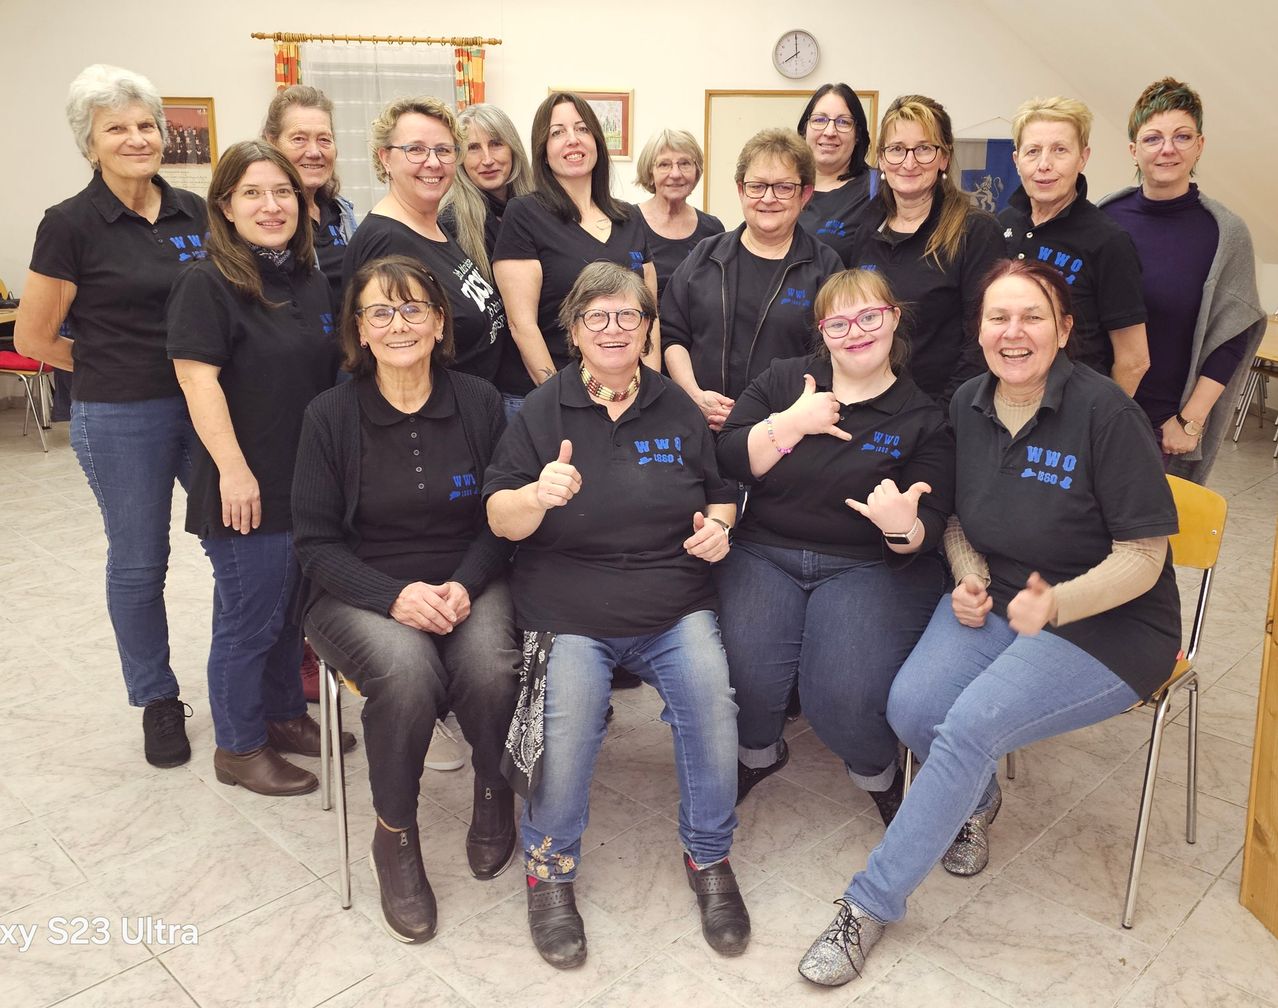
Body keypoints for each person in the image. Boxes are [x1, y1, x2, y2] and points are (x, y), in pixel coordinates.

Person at [796, 259, 1180, 986]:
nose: (1014, 332)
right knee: (911, 706)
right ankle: (976, 796)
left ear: (1064, 330)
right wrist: (969, 574)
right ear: (978, 331)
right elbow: (957, 521)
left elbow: (1143, 557)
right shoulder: (967, 403)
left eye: (1032, 316)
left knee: (968, 726)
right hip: (998, 596)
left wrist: (1058, 603)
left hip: (1107, 627)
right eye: (998, 318)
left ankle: (868, 905)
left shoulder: (1105, 413)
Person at [483, 262, 748, 969]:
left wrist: (719, 528)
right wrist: (538, 495)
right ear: (573, 332)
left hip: (671, 601)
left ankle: (710, 857)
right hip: (568, 608)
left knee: (713, 706)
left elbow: (721, 491)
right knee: (566, 721)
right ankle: (548, 869)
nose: (613, 329)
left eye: (627, 316)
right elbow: (500, 520)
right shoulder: (542, 412)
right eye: (596, 317)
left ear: (646, 330)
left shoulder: (675, 407)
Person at [293, 255, 521, 944]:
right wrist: (395, 597)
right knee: (406, 670)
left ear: (440, 321)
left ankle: (493, 789)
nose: (399, 324)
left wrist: (465, 584)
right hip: (357, 593)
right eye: (381, 312)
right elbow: (314, 545)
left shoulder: (479, 401)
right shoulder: (330, 415)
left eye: (414, 307)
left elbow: (500, 519)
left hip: (468, 579)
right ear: (358, 329)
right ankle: (395, 836)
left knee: (490, 666)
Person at [15, 64, 208, 768]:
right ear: (89, 144)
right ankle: (157, 699)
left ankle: (251, 675)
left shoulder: (198, 212)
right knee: (140, 561)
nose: (136, 137)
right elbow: (35, 338)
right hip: (122, 415)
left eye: (145, 124)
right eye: (116, 128)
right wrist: (107, 365)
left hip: (207, 405)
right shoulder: (69, 224)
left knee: (239, 544)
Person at [715, 269, 953, 820]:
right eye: (838, 322)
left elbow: (930, 525)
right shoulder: (785, 382)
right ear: (822, 332)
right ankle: (758, 753)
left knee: (842, 698)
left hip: (867, 565)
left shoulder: (922, 416)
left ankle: (877, 771)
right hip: (763, 553)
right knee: (743, 676)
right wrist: (790, 424)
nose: (856, 332)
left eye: (870, 316)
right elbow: (728, 459)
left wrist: (901, 527)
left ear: (894, 318)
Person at [166, 141, 344, 797]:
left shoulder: (308, 277)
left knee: (288, 615)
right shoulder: (206, 282)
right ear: (225, 207)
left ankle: (283, 714)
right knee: (250, 620)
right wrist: (234, 471)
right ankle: (239, 746)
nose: (272, 206)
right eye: (253, 193)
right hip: (246, 486)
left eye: (284, 193)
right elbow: (196, 379)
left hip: (304, 482)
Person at [1099, 78, 1268, 481]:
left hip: (1164, 428)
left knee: (1154, 542)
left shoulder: (1225, 233)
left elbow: (1232, 336)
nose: (1167, 149)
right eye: (1153, 138)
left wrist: (1189, 422)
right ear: (1134, 150)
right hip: (1097, 417)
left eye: (1182, 136)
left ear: (1200, 146)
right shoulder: (1105, 217)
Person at [663, 128, 843, 431]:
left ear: (805, 194)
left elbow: (836, 358)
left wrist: (775, 420)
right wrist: (694, 396)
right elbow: (672, 334)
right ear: (740, 190)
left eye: (784, 187)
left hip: (787, 437)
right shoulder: (705, 256)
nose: (768, 198)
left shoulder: (826, 269)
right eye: (757, 186)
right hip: (700, 428)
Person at [492, 92, 658, 416]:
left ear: (596, 140)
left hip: (625, 398)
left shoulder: (630, 217)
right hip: (547, 400)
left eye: (582, 129)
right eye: (557, 132)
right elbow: (521, 324)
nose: (572, 140)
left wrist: (651, 391)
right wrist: (563, 401)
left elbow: (650, 318)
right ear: (543, 149)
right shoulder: (524, 214)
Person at [845, 95, 1005, 408]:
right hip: (867, 403)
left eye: (924, 148)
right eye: (897, 149)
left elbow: (981, 338)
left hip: (940, 409)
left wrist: (946, 416)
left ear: (944, 158)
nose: (909, 162)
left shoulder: (976, 231)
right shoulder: (867, 223)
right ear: (881, 158)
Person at [342, 96, 509, 385]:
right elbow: (389, 360)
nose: (432, 162)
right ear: (385, 158)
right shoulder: (385, 241)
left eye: (443, 150)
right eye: (415, 150)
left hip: (473, 409)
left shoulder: (434, 227)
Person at [1000, 97, 1149, 396]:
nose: (1044, 165)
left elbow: (1134, 360)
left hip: (1074, 412)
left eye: (1060, 150)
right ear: (1017, 161)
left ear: (1083, 158)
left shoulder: (1108, 241)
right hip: (1002, 404)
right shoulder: (999, 225)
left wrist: (1101, 425)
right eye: (1033, 151)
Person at [262, 84, 358, 309]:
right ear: (271, 142)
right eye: (299, 139)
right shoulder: (265, 220)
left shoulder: (342, 212)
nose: (314, 152)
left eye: (324, 139)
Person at [439, 103, 534, 283]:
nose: (488, 160)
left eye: (496, 144)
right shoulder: (450, 223)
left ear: (513, 149)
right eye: (473, 148)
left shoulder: (539, 207)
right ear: (459, 158)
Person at [633, 129, 724, 297]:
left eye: (685, 164)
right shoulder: (627, 222)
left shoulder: (713, 229)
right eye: (664, 164)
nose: (675, 174)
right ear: (650, 173)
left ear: (696, 172)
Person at [795, 83, 874, 264]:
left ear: (857, 135)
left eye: (843, 122)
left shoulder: (876, 189)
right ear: (804, 130)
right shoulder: (784, 186)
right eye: (819, 120)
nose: (830, 132)